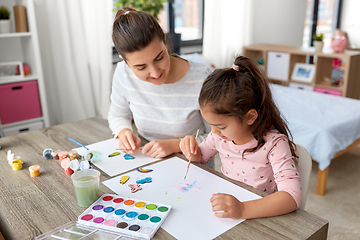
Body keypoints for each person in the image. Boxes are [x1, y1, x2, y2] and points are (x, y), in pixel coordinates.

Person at [179, 56, 301, 219]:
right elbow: (200, 157)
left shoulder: (274, 144)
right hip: (227, 209)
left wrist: (243, 209)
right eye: (211, 124)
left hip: (261, 213)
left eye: (221, 126)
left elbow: (291, 196)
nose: (214, 131)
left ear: (250, 117)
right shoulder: (219, 137)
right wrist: (191, 150)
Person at [109, 7, 213, 160]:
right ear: (125, 61)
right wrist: (124, 132)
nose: (155, 73)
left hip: (194, 172)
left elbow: (219, 138)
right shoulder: (123, 73)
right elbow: (117, 115)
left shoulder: (203, 79)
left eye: (159, 58)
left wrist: (176, 145)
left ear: (164, 40)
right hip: (147, 166)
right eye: (141, 67)